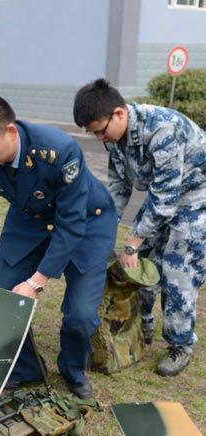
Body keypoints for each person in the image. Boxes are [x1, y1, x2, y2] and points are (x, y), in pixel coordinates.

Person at [0, 93, 118, 398]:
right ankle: (26, 368)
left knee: (80, 315)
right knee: (1, 296)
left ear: (10, 132)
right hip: (29, 219)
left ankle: (72, 369)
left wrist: (35, 283)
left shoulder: (58, 150)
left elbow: (70, 224)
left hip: (86, 222)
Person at [73, 78, 206, 377]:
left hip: (197, 200)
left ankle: (180, 344)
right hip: (164, 198)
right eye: (93, 134)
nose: (99, 139)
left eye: (100, 131)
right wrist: (104, 228)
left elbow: (165, 199)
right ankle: (142, 324)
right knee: (143, 266)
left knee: (177, 273)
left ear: (119, 113)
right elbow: (119, 188)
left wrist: (132, 241)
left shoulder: (163, 130)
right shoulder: (116, 138)